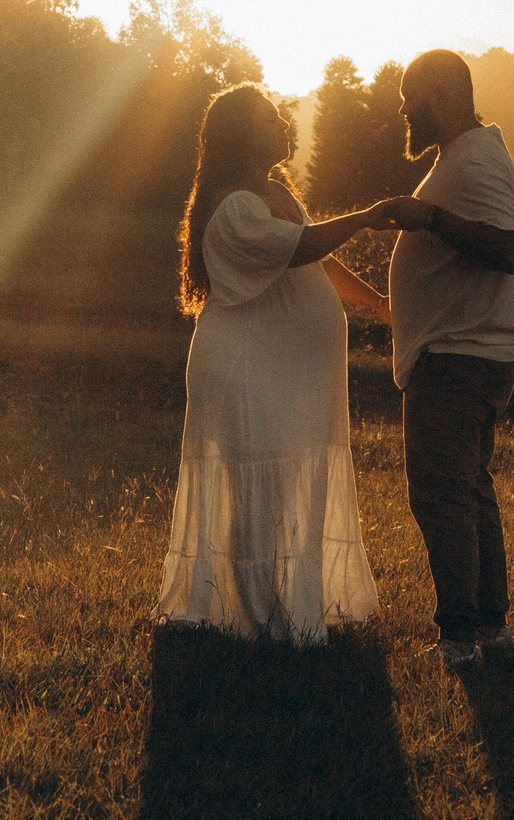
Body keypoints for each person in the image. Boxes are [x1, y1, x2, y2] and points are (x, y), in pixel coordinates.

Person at [156, 82, 398, 641]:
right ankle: (252, 617)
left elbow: (313, 259)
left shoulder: (277, 193)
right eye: (269, 120)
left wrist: (374, 301)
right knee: (255, 487)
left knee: (290, 480)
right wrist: (366, 216)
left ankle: (289, 607)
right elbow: (301, 248)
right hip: (247, 367)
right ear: (241, 136)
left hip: (288, 372)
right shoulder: (235, 206)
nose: (283, 124)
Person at [379, 48, 514, 670]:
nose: (404, 109)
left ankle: (460, 639)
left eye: (411, 96)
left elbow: (506, 250)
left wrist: (430, 218)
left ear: (443, 95)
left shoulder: (475, 159)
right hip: (463, 352)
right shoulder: (462, 158)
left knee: (441, 495)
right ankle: (489, 628)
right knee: (468, 490)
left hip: (459, 357)